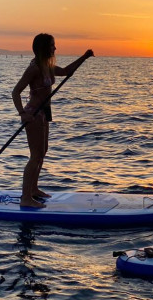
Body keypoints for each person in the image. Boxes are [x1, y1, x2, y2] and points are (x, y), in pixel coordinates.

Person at [12, 34, 94, 208]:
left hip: (44, 113)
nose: (55, 48)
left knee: (42, 152)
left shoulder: (46, 66)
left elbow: (65, 72)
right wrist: (22, 113)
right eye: (52, 45)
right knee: (35, 156)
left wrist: (84, 58)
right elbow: (16, 92)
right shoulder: (34, 68)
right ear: (43, 48)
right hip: (33, 114)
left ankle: (33, 189)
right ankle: (25, 197)